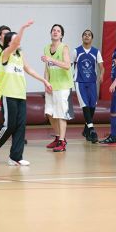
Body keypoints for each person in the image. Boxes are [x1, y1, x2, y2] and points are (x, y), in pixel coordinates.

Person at [0, 20, 52, 166]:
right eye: (15, 39)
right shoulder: (5, 54)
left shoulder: (19, 55)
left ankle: (15, 157)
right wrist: (22, 28)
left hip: (20, 94)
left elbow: (29, 69)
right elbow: (15, 44)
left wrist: (44, 81)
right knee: (9, 125)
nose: (18, 41)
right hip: (8, 94)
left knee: (20, 126)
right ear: (9, 43)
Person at [41, 24, 74, 152]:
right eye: (53, 30)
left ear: (61, 35)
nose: (55, 32)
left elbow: (67, 65)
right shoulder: (46, 48)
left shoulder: (64, 48)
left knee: (60, 115)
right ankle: (58, 137)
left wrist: (52, 60)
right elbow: (47, 68)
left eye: (58, 31)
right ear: (51, 33)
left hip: (63, 86)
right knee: (49, 113)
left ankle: (62, 141)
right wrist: (45, 82)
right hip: (51, 86)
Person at [73, 29, 104, 143]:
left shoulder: (96, 52)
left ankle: (86, 129)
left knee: (92, 106)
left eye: (89, 35)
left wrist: (102, 75)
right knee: (85, 105)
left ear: (92, 38)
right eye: (85, 34)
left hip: (92, 82)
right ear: (82, 37)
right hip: (79, 81)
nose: (87, 36)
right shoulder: (76, 51)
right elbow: (68, 64)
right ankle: (91, 129)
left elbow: (102, 67)